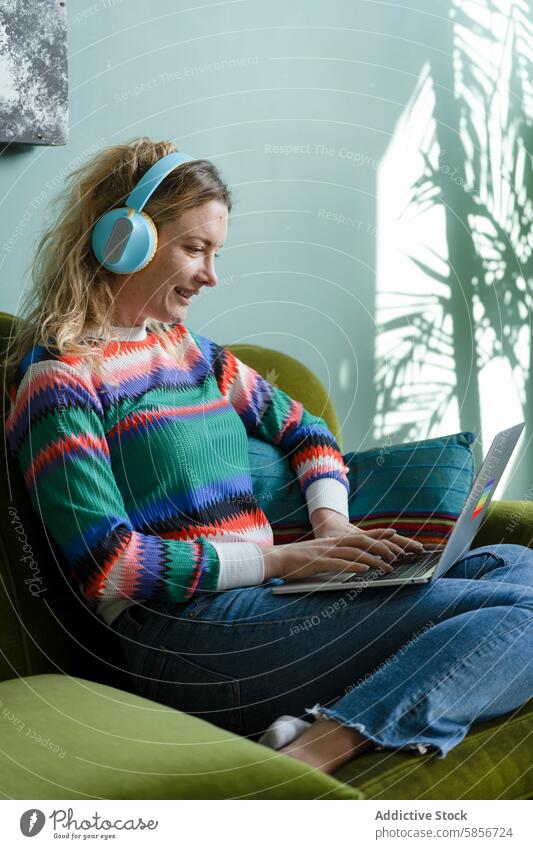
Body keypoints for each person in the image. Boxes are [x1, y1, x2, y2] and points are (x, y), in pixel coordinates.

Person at [5, 137, 533, 777]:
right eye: (195, 249)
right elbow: (110, 564)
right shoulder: (60, 381)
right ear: (124, 239)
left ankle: (319, 724)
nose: (211, 275)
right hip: (184, 639)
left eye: (216, 252)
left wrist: (331, 525)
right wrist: (281, 558)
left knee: (514, 563)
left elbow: (306, 430)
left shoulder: (193, 354)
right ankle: (324, 747)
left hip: (270, 599)